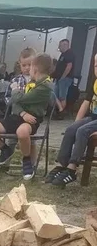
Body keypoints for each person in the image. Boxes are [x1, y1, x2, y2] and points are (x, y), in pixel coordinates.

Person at [0, 52, 53, 181]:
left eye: (29, 66)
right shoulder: (30, 81)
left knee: (22, 132)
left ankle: (26, 161)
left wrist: (15, 90)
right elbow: (15, 103)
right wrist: (22, 112)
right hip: (17, 116)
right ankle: (6, 149)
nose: (27, 69)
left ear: (34, 69)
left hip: (32, 120)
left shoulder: (44, 86)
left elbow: (21, 98)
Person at [45, 53, 97, 187]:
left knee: (82, 131)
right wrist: (76, 122)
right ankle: (62, 165)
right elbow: (86, 103)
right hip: (93, 117)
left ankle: (72, 168)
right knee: (71, 130)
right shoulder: (95, 82)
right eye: (96, 65)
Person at [53, 38, 75, 114]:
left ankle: (61, 113)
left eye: (60, 45)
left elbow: (69, 66)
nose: (59, 47)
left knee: (62, 96)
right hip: (59, 78)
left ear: (65, 45)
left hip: (65, 78)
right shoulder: (63, 54)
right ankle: (58, 110)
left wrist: (63, 77)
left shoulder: (69, 53)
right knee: (54, 95)